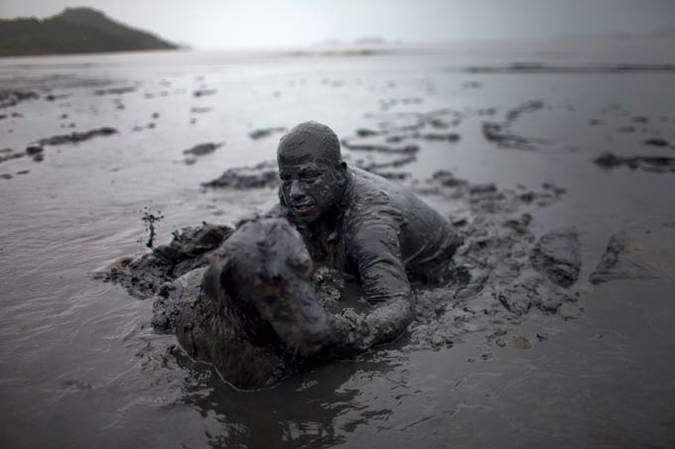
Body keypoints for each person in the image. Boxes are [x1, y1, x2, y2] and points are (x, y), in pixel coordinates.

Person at [274, 121, 461, 354]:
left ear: (340, 174)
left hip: (439, 265)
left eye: (310, 178)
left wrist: (343, 332)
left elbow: (397, 304)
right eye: (286, 178)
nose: (295, 192)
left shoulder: (369, 227)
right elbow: (275, 226)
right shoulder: (294, 192)